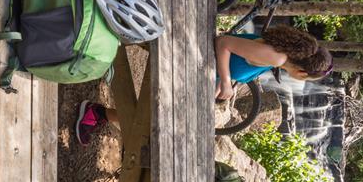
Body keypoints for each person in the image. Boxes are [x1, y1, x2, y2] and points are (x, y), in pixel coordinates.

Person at [74, 24, 333, 146]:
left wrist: (228, 81)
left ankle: (102, 114)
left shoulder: (280, 55)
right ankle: (97, 114)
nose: (302, 82)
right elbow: (224, 44)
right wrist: (227, 83)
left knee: (172, 124)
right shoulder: (276, 56)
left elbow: (240, 59)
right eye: (307, 79)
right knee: (164, 123)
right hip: (194, 61)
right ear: (301, 71)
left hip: (202, 70)